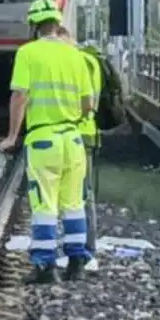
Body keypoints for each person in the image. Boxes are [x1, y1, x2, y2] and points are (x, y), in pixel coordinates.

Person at [0, 0, 94, 283]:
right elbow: (88, 103)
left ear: (33, 25)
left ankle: (45, 267)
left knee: (44, 205)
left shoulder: (28, 53)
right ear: (58, 22)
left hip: (43, 140)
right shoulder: (75, 55)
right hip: (73, 140)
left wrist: (13, 136)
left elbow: (20, 96)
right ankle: (77, 264)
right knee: (74, 203)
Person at [56, 26, 101, 255]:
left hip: (79, 133)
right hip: (82, 133)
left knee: (81, 193)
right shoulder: (85, 61)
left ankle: (86, 246)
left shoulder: (80, 62)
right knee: (77, 192)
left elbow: (86, 102)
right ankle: (79, 243)